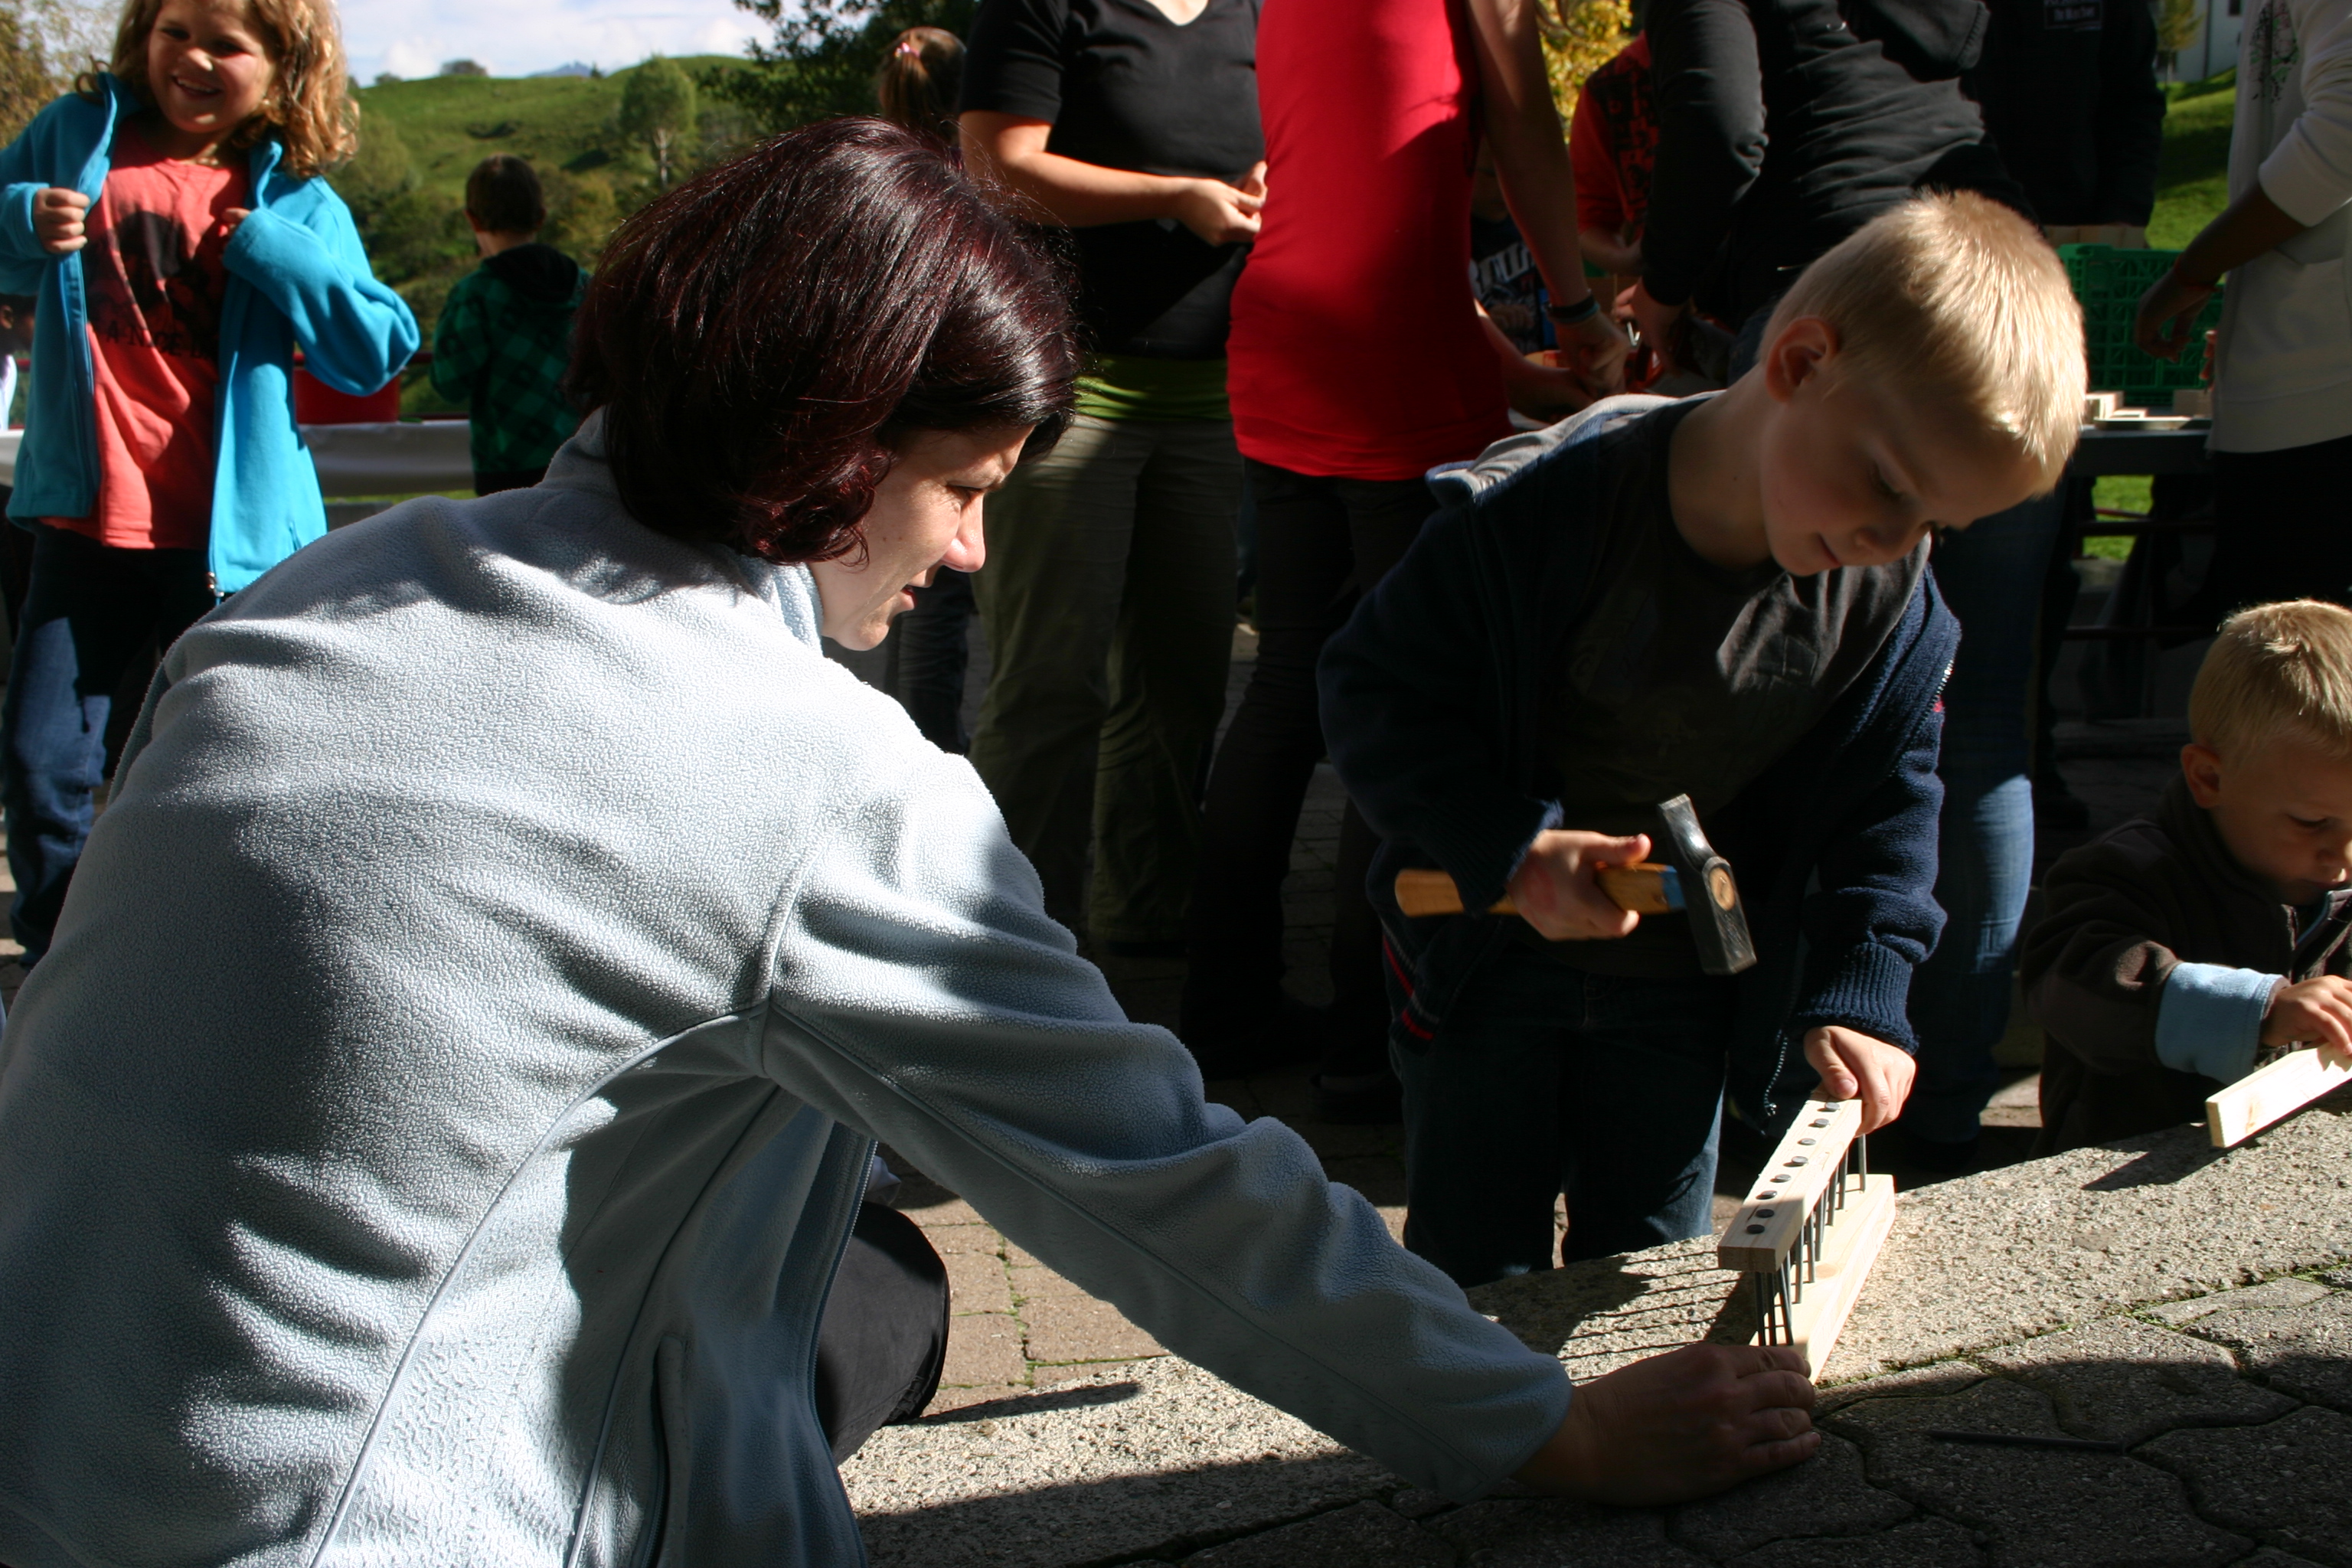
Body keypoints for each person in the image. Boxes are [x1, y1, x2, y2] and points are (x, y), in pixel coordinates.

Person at [0, 119, 1824, 1566]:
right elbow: (1165, 1185)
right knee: (878, 1271)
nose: (967, 552)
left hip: (54, 1461)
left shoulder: (304, 603)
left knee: (882, 1281)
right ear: (838, 449)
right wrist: (1547, 1424)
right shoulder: (804, 773)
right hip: (358, 1521)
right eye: (962, 488)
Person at [1319, 193, 2083, 1286]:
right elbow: (1372, 687)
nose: (1892, 538)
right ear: (1802, 363)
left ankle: (1636, 1398)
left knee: (1651, 1277)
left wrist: (1866, 985)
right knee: (1475, 1270)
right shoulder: (1546, 510)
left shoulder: (1888, 604)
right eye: (1888, 486)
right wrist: (1507, 843)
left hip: (1685, 990)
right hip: (1483, 967)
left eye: (1935, 524)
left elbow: (1890, 802)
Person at [1185, 0, 1628, 1107]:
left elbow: (1356, 190)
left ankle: (1222, 1010)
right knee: (1408, 696)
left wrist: (1514, 373)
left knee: (1290, 677)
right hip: (1393, 353)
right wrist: (1577, 309)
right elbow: (1526, 134)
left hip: (1285, 330)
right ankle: (1365, 1039)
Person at [0, 0, 418, 968]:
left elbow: (375, 349)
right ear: (142, 33)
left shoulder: (299, 199)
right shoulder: (73, 136)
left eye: (227, 43)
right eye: (175, 29)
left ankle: (210, 963)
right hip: (86, 521)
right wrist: (19, 218)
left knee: (230, 768)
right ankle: (67, 970)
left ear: (284, 68)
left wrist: (280, 255)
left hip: (233, 550)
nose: (193, 56)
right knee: (40, 760)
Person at [956, 0, 1264, 952]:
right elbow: (997, 168)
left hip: (1213, 399)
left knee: (1183, 686)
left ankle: (1146, 925)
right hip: (1073, 396)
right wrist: (1177, 196)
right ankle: (1012, 944)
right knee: (1051, 687)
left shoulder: (1256, 16)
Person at [2024, 601, 2352, 1154]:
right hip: (2128, 1164)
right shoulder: (2127, 872)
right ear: (2209, 778)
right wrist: (2261, 1012)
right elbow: (2069, 986)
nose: (2342, 855)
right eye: (2311, 822)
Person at [2135, 0, 2352, 614]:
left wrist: (2196, 269)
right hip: (2302, 388)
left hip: (2322, 403)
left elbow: (2344, 131)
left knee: (2294, 667)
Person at [874, 24, 978, 751]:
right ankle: (935, 752)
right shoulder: (973, 182)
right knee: (944, 600)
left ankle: (903, 742)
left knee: (900, 597)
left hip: (888, 413)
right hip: (957, 413)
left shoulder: (874, 175)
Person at [429, 154, 586, 497]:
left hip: (507, 468)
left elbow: (450, 382)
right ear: (541, 215)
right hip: (583, 458)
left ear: (472, 219)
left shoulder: (476, 295)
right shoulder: (584, 285)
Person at [1570, 28, 1655, 281]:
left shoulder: (1757, 59)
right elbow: (1588, 220)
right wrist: (1626, 259)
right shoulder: (1610, 87)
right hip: (1670, 295)